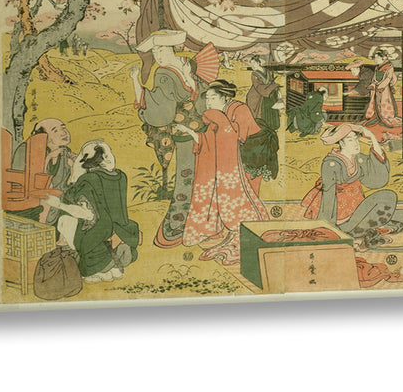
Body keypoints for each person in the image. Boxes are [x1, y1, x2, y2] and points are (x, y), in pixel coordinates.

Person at [175, 81, 269, 265]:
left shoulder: (238, 110)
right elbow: (209, 140)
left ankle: (246, 231)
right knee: (228, 193)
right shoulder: (218, 116)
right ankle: (225, 230)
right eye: (207, 99)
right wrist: (189, 131)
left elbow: (237, 139)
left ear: (224, 97)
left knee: (241, 196)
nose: (208, 102)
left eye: (212, 98)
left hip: (253, 155)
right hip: (235, 160)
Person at [130, 29, 208, 249]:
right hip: (195, 134)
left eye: (162, 50)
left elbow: (160, 111)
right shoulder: (182, 68)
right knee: (195, 178)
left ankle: (176, 227)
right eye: (155, 52)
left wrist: (137, 84)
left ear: (173, 48)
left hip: (191, 135)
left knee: (188, 180)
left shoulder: (168, 73)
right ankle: (194, 225)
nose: (159, 56)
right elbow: (196, 97)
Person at [300, 123, 403, 250]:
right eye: (351, 140)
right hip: (342, 220)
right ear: (341, 143)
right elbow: (328, 197)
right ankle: (357, 234)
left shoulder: (358, 158)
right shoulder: (331, 164)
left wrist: (373, 138)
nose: (356, 143)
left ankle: (369, 233)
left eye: (356, 139)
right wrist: (329, 229)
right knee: (388, 197)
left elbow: (377, 180)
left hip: (360, 213)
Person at [41, 140, 140, 283]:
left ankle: (98, 268)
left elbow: (85, 212)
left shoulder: (88, 180)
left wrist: (58, 202)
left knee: (64, 219)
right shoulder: (120, 176)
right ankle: (113, 265)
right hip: (122, 229)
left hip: (97, 233)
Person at [9, 117, 77, 222]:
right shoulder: (26, 149)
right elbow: (27, 186)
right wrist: (48, 157)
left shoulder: (65, 153)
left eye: (63, 128)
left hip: (57, 208)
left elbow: (67, 185)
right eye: (55, 130)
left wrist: (74, 167)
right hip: (32, 207)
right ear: (43, 136)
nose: (64, 133)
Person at [363, 48, 403, 129]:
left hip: (384, 89)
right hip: (377, 88)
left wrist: (381, 86)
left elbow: (388, 78)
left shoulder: (389, 67)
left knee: (384, 103)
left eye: (377, 58)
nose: (375, 60)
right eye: (375, 58)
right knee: (376, 103)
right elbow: (374, 78)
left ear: (383, 58)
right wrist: (373, 84)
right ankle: (377, 117)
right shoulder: (377, 67)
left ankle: (385, 117)